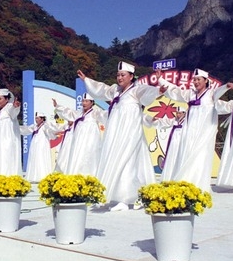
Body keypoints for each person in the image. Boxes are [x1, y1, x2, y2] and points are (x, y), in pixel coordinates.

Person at [78, 61, 161, 211]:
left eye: (123, 75)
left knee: (128, 161)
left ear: (131, 76)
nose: (119, 77)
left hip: (130, 132)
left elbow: (149, 93)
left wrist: (159, 90)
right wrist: (86, 80)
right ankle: (126, 196)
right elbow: (101, 89)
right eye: (118, 75)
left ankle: (126, 198)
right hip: (115, 132)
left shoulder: (136, 90)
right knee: (116, 159)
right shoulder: (115, 90)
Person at [157, 68, 233, 193]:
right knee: (186, 154)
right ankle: (185, 182)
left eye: (199, 79)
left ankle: (197, 185)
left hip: (203, 133)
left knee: (200, 157)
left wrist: (226, 87)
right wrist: (161, 80)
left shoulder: (210, 94)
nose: (196, 82)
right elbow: (175, 91)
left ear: (205, 81)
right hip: (189, 131)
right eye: (194, 79)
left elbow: (218, 92)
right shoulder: (190, 94)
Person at [53, 93, 107, 176]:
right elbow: (68, 113)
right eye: (83, 101)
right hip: (78, 141)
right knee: (76, 157)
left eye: (86, 101)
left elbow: (105, 115)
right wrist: (57, 106)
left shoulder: (95, 113)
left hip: (90, 141)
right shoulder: (79, 113)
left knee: (87, 158)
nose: (84, 103)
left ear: (92, 102)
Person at [147, 106, 186, 182]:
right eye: (177, 113)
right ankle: (170, 175)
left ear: (184, 113)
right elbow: (164, 121)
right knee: (172, 156)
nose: (178, 115)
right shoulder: (174, 120)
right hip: (173, 141)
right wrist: (157, 119)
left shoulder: (187, 121)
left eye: (179, 113)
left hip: (182, 141)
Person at [21, 112, 60, 182]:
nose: (36, 119)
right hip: (35, 145)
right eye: (36, 118)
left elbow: (50, 132)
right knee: (34, 158)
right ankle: (33, 176)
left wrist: (54, 135)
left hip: (42, 145)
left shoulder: (45, 126)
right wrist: (16, 128)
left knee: (41, 158)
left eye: (38, 118)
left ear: (42, 119)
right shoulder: (35, 126)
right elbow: (26, 129)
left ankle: (42, 176)